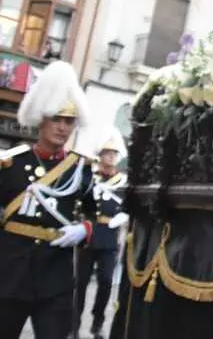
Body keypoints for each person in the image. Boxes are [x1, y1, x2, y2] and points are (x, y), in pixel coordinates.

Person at [0, 60, 98, 339]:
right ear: (42, 119)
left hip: (55, 278)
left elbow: (98, 216)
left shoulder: (80, 170)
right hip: (10, 275)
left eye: (69, 121)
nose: (63, 127)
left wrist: (85, 229)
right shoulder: (11, 164)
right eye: (57, 118)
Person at [75, 129, 128, 339]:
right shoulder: (91, 177)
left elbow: (128, 205)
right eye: (107, 153)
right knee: (80, 282)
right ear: (100, 155)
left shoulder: (122, 182)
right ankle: (74, 323)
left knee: (106, 281)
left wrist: (123, 217)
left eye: (113, 154)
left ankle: (97, 323)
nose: (110, 157)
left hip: (109, 235)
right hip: (88, 233)